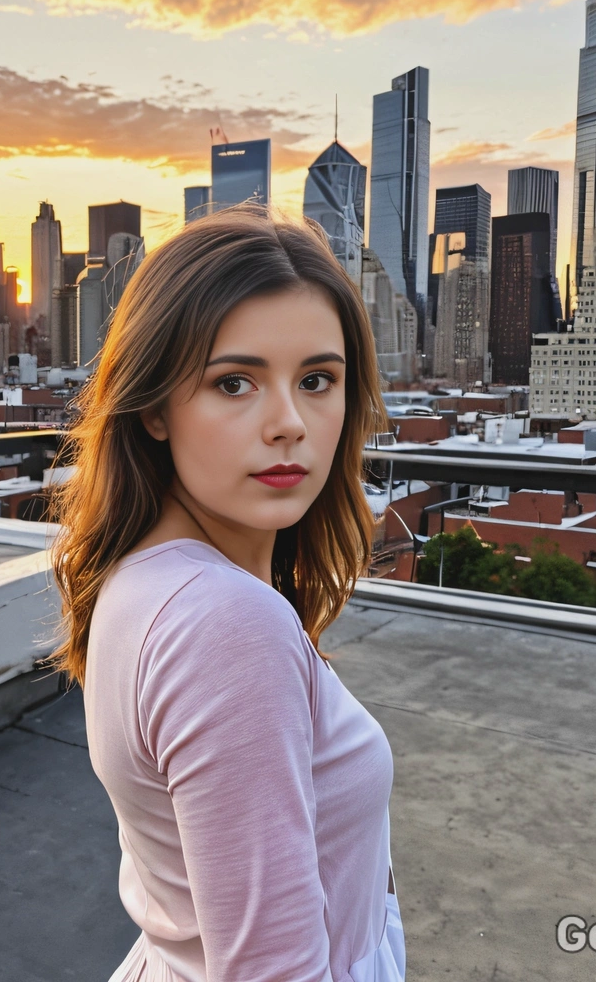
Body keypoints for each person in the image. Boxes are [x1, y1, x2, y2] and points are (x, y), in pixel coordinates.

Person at [48, 203, 406, 981]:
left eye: (318, 380)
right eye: (234, 382)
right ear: (151, 408)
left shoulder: (142, 575)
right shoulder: (227, 625)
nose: (289, 424)